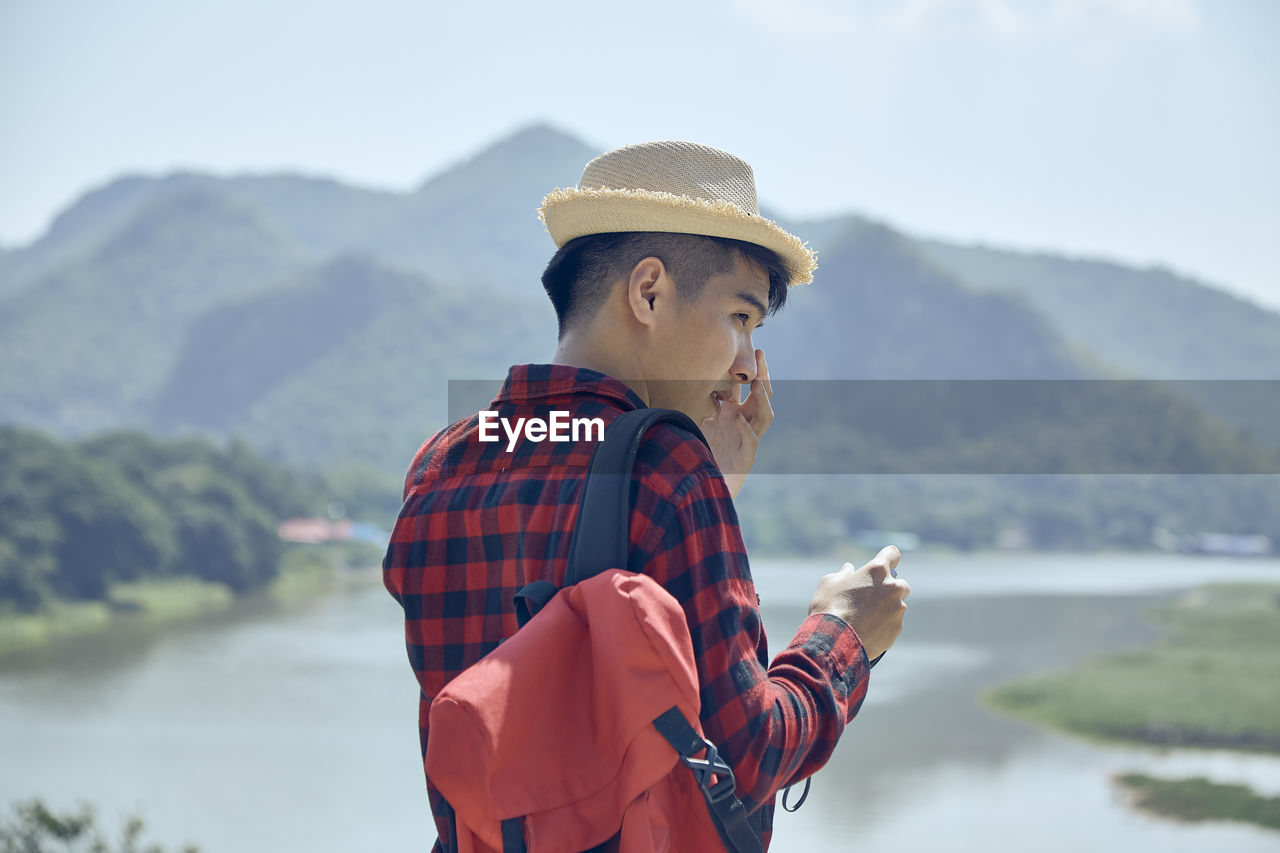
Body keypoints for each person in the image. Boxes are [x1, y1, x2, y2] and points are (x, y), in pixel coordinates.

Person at [383, 140, 910, 851]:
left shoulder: (442, 463)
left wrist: (709, 490)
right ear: (649, 292)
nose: (749, 363)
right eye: (741, 318)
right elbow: (748, 752)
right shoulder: (666, 468)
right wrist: (843, 635)